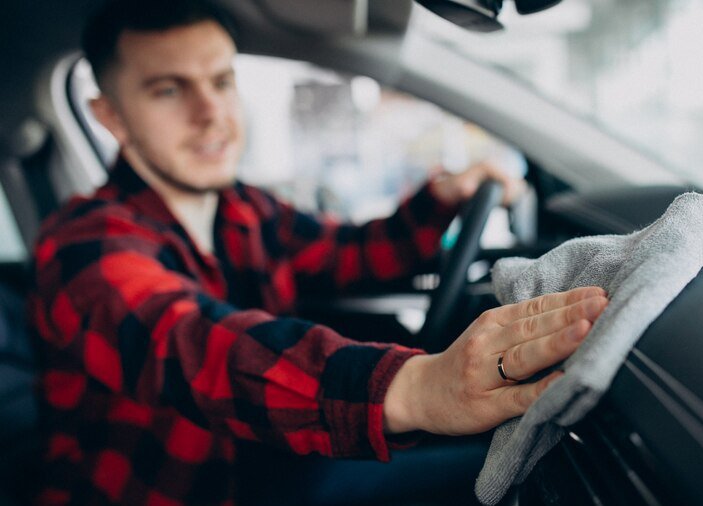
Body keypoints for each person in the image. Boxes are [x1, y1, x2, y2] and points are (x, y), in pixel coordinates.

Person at [28, 1, 609, 504]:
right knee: (512, 473)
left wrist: (440, 201)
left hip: (265, 463)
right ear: (111, 117)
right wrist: (417, 388)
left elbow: (349, 254)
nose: (212, 114)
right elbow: (198, 349)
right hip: (182, 492)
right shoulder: (84, 246)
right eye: (169, 89)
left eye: (222, 81)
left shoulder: (243, 209)